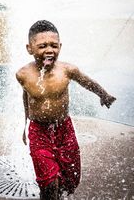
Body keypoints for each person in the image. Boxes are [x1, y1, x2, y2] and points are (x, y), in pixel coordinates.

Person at [16, 20, 116, 200]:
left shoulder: (68, 70)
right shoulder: (23, 74)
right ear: (29, 48)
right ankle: (48, 193)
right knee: (48, 180)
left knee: (71, 176)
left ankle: (56, 193)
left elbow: (88, 83)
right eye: (42, 46)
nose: (49, 50)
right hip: (39, 132)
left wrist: (104, 95)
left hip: (64, 129)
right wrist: (25, 124)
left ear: (60, 46)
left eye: (54, 45)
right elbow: (27, 98)